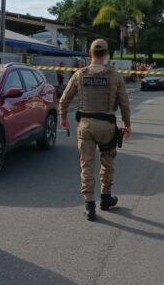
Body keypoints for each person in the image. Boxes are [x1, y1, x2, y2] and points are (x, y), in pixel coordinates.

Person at [59, 39, 131, 221]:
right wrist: (127, 125)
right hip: (107, 127)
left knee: (87, 165)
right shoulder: (115, 76)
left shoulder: (80, 74)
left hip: (86, 126)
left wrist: (63, 118)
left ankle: (89, 206)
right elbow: (124, 103)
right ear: (106, 54)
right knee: (107, 163)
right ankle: (106, 198)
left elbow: (64, 99)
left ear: (90, 53)